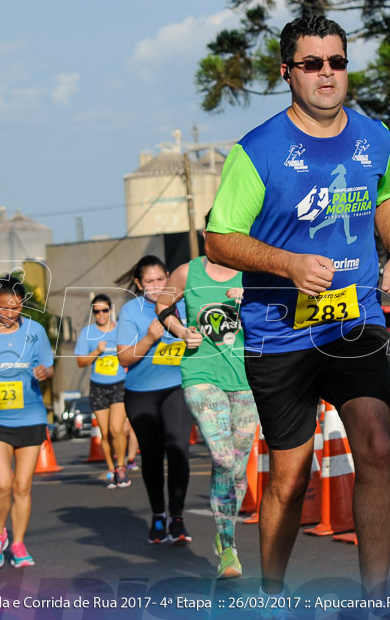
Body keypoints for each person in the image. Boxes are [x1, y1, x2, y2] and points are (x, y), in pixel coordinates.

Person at [204, 14, 390, 599]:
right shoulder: (258, 150)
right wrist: (290, 265)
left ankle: (376, 600)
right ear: (287, 73)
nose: (327, 74)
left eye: (337, 62)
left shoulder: (373, 137)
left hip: (354, 319)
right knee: (291, 479)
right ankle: (272, 595)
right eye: (313, 64)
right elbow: (219, 239)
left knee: (376, 446)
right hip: (279, 333)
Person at [155, 212, 258, 579]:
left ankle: (223, 532)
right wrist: (182, 331)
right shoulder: (187, 272)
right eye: (216, 232)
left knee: (238, 471)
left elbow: (281, 313)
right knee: (222, 455)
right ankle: (228, 549)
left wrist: (253, 299)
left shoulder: (252, 272)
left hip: (246, 379)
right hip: (200, 374)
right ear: (205, 235)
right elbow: (163, 307)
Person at [0, 274, 54, 568]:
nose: (10, 314)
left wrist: (44, 373)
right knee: (2, 483)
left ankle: (17, 543)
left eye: (16, 308)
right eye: (4, 308)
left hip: (30, 415)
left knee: (23, 485)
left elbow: (48, 366)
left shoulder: (35, 331)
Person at [115, 255, 192, 544]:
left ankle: (178, 517)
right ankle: (159, 514)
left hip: (178, 385)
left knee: (178, 448)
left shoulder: (183, 303)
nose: (157, 286)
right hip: (141, 392)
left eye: (161, 279)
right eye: (150, 282)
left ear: (169, 276)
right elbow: (124, 357)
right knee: (152, 455)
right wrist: (149, 338)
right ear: (138, 283)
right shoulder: (131, 311)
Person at [74, 293, 130, 488]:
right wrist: (96, 352)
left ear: (110, 310)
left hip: (119, 384)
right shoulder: (87, 333)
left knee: (117, 428)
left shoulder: (120, 331)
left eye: (104, 310)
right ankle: (110, 468)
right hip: (98, 386)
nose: (101, 315)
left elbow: (132, 352)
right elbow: (80, 362)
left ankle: (122, 466)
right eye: (97, 312)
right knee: (105, 433)